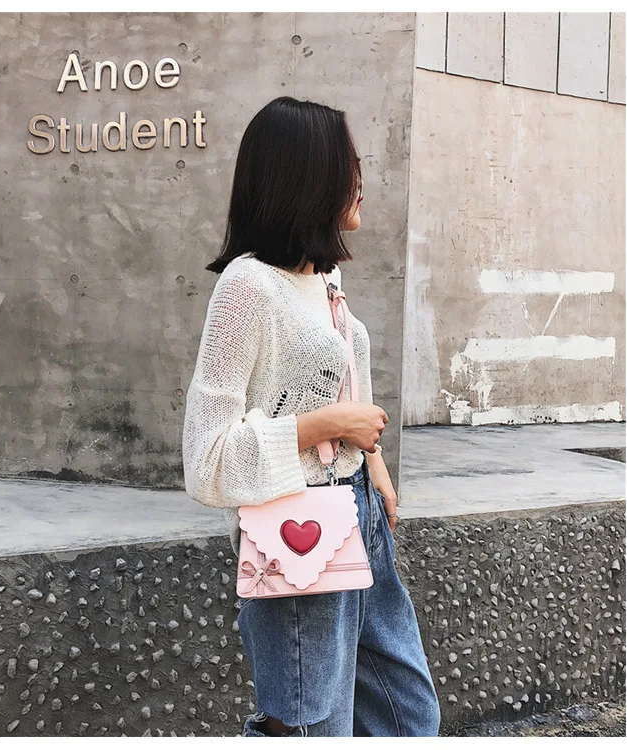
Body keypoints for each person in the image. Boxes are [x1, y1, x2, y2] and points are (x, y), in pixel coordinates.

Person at [181, 96, 440, 737]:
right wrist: (327, 428)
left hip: (358, 511)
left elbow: (344, 389)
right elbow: (206, 459)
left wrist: (373, 465)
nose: (360, 180)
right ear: (306, 176)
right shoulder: (247, 287)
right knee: (309, 727)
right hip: (297, 524)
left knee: (407, 713)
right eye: (347, 166)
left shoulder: (325, 280)